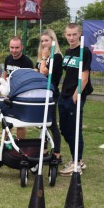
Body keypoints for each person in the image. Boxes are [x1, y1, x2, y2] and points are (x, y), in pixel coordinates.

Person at [58, 23, 93, 176]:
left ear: (79, 34)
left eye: (74, 34)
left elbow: (84, 77)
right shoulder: (68, 51)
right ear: (65, 35)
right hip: (64, 94)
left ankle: (76, 162)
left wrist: (75, 95)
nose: (71, 37)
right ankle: (77, 159)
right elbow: (69, 72)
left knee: (74, 128)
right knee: (64, 129)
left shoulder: (84, 51)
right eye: (68, 35)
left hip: (75, 95)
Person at [35, 29, 63, 163]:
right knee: (42, 123)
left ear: (53, 41)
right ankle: (44, 150)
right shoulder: (43, 57)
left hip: (51, 93)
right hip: (41, 92)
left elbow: (43, 72)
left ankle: (57, 152)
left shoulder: (56, 57)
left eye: (47, 40)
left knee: (52, 123)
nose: (44, 43)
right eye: (42, 41)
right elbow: (36, 70)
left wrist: (45, 58)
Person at [2, 36, 34, 139]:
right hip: (8, 94)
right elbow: (5, 73)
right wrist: (2, 86)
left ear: (22, 47)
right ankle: (4, 143)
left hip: (21, 96)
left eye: (17, 47)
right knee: (6, 120)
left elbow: (29, 80)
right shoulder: (8, 58)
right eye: (12, 47)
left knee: (20, 123)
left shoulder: (27, 62)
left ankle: (21, 145)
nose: (14, 50)